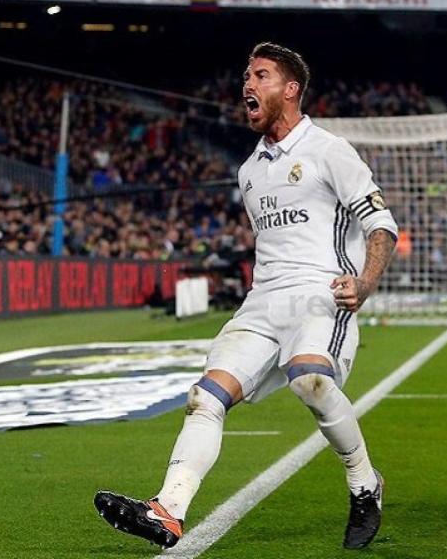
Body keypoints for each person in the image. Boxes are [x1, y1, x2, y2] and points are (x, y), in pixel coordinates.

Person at [94, 42, 397, 550]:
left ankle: (365, 483)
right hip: (262, 302)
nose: (247, 86)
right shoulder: (250, 169)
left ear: (291, 88)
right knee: (205, 397)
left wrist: (364, 284)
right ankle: (168, 510)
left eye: (260, 76)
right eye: (246, 77)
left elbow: (381, 224)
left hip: (319, 295)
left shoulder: (329, 150)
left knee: (309, 382)